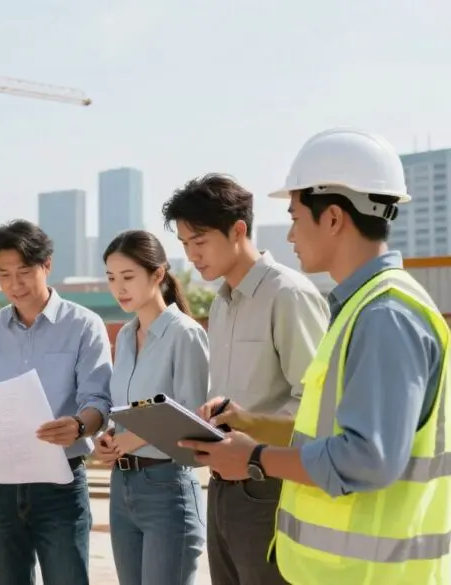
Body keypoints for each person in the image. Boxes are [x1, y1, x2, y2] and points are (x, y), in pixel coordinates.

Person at [179, 128, 451, 584]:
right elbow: (327, 430)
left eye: (294, 215)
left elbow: (367, 458)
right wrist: (250, 424)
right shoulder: (362, 310)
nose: (289, 234)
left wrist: (255, 458)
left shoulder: (385, 316)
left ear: (333, 218)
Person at [161, 174, 329, 585]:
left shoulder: (288, 294)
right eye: (184, 245)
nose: (192, 255)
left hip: (270, 485)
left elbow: (318, 405)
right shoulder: (221, 304)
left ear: (238, 230)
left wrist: (252, 432)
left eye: (199, 242)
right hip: (221, 486)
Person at [0, 219, 113, 585]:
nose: (15, 285)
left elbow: (99, 400)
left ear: (47, 265)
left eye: (24, 272)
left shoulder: (84, 325)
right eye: (4, 275)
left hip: (59, 480)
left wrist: (78, 425)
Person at [92, 230, 209, 585]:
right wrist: (110, 437)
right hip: (122, 488)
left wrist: (133, 439)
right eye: (112, 279)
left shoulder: (185, 334)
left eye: (128, 277)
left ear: (157, 274)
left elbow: (194, 420)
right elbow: (126, 408)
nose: (119, 288)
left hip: (168, 489)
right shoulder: (125, 337)